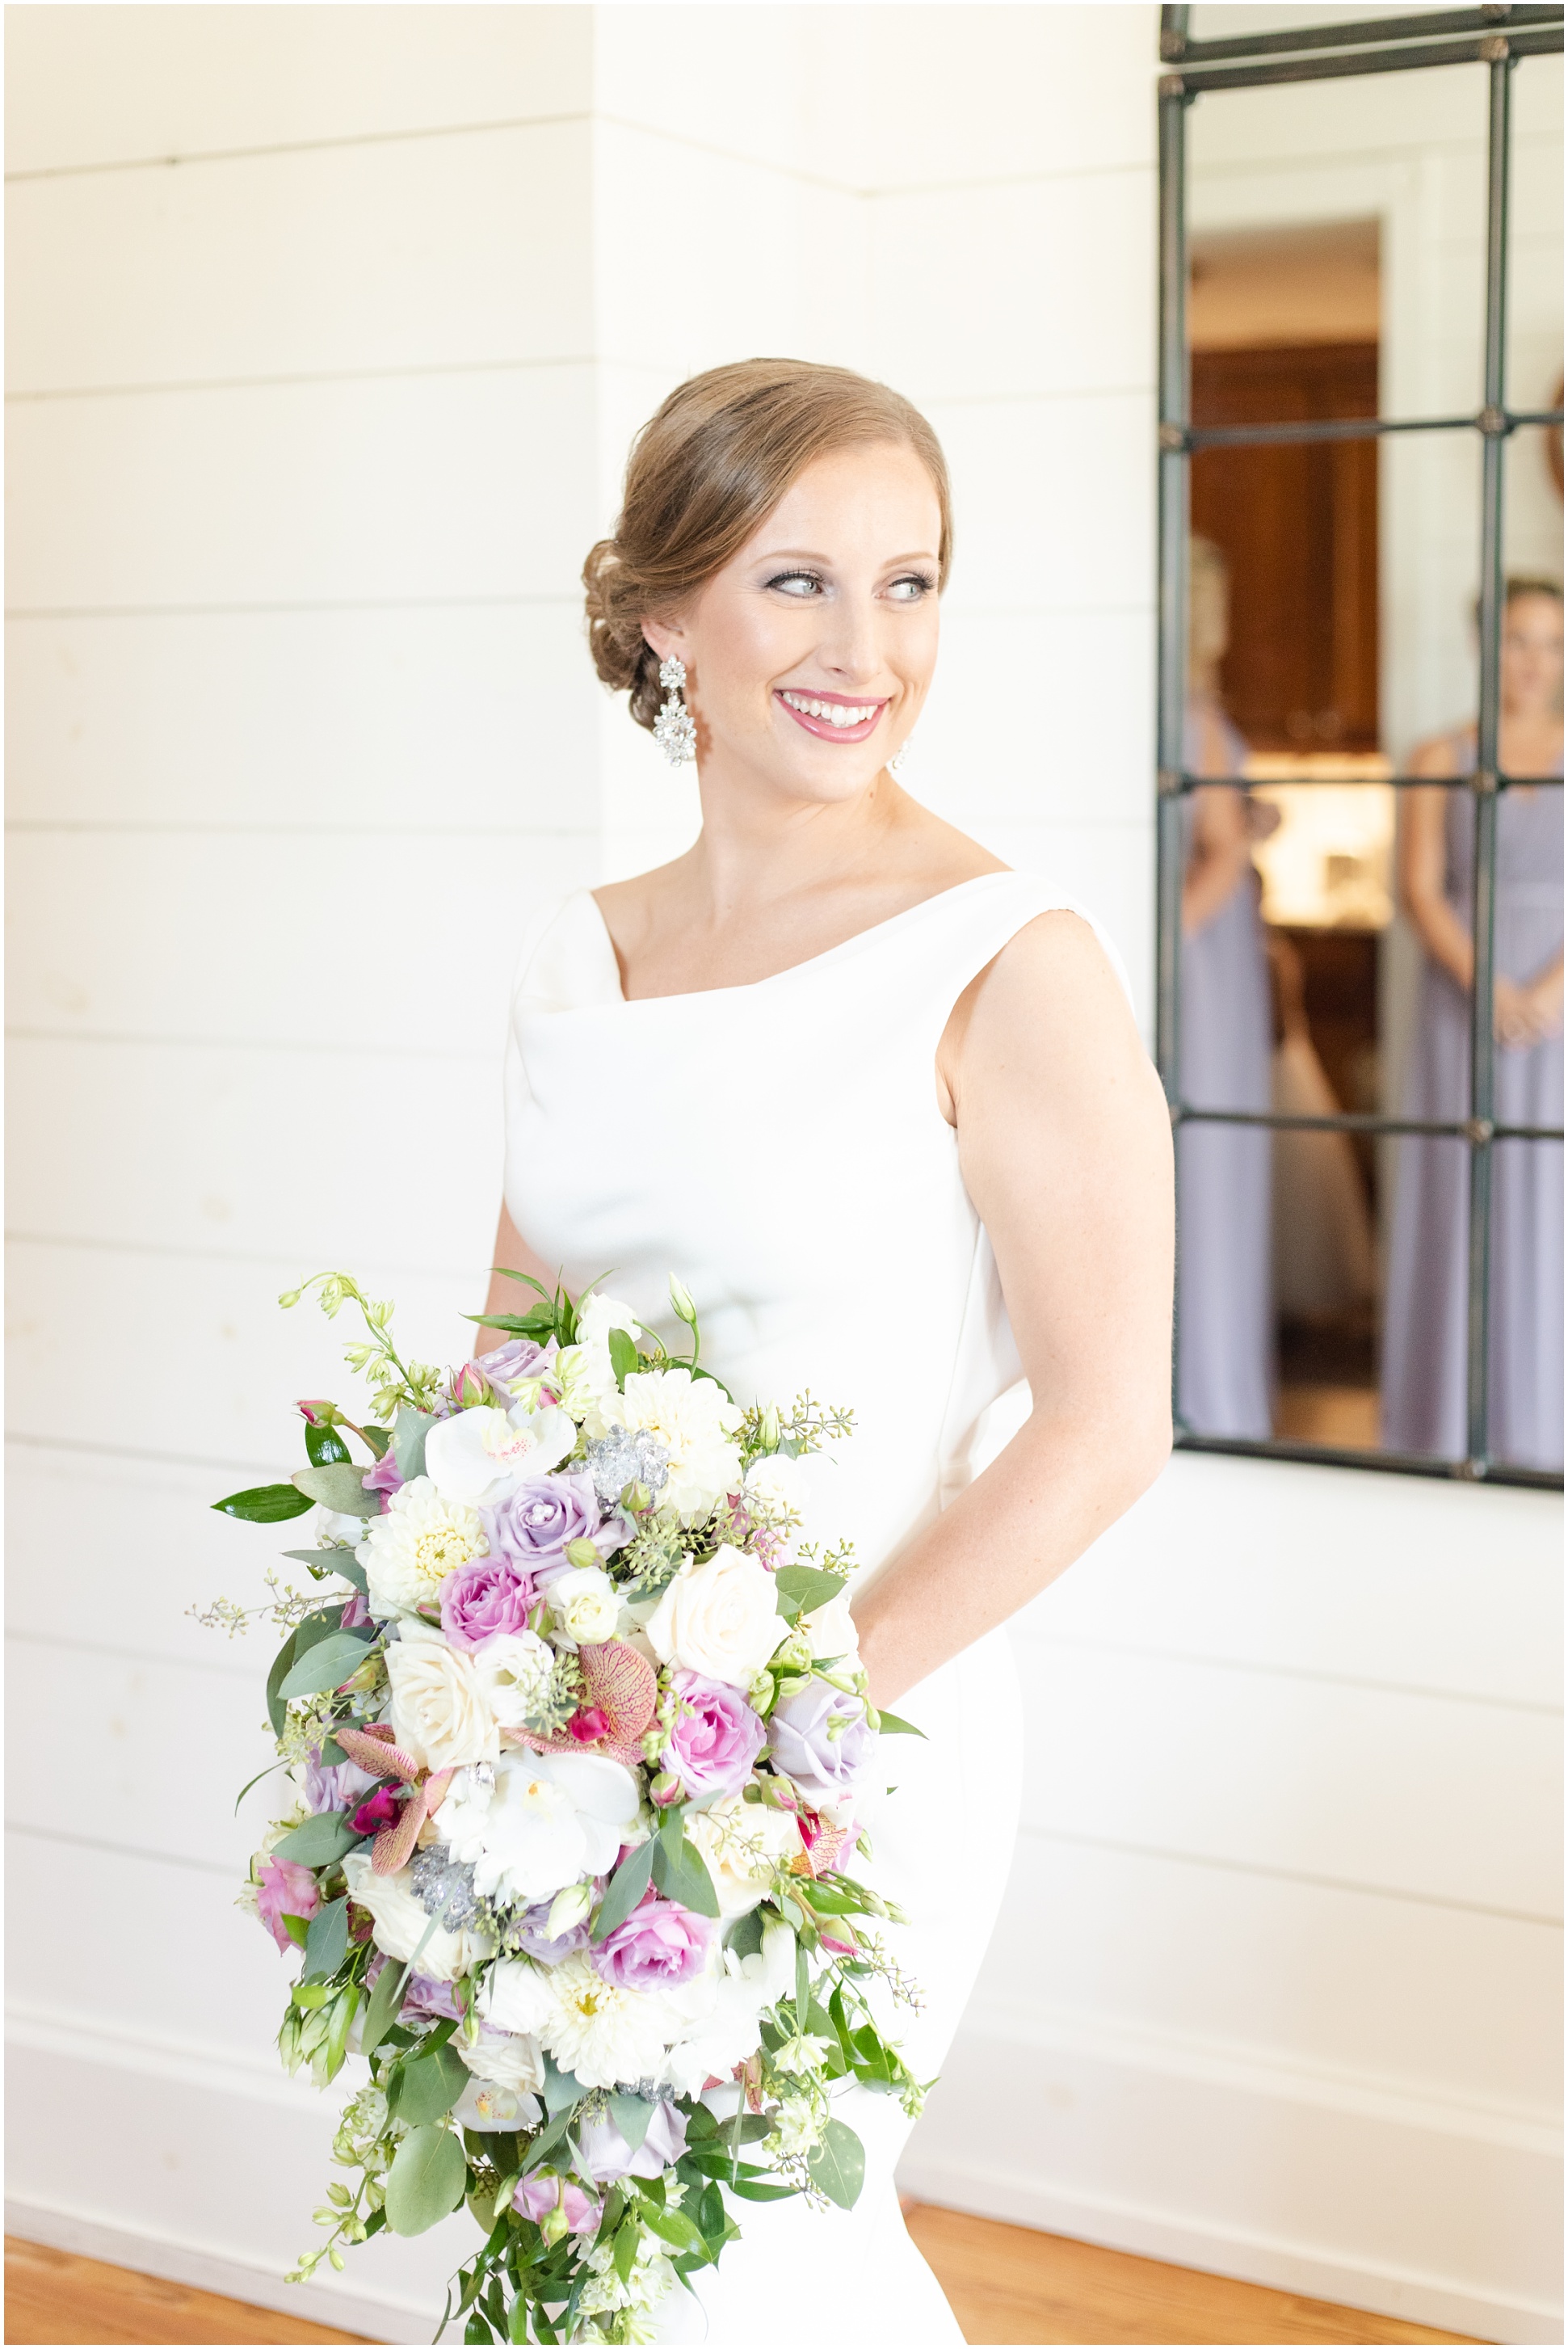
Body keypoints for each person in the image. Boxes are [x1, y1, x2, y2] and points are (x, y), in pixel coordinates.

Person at [481, 360, 1174, 2342]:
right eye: (796, 583)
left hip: (863, 1737)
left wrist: (773, 1731)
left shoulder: (1008, 961)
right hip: (572, 1732)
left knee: (760, 2251)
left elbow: (1108, 1425)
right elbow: (514, 1352)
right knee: (581, 2249)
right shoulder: (577, 956)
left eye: (911, 582)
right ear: (656, 613)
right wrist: (456, 1673)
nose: (866, 648)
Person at [1382, 577, 1564, 1469]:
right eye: (1519, 640)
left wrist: (1550, 994)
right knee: (1462, 1197)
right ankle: (1446, 1420)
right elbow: (1418, 887)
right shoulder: (1436, 755)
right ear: (1485, 644)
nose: (1534, 663)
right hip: (1463, 1001)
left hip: (1562, 1007)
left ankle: (1543, 1421)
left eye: (1552, 644)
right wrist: (1492, 988)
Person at [1176, 536, 1273, 1438]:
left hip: (1209, 960)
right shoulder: (1192, 715)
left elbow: (1217, 839)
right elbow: (1217, 850)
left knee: (1206, 1167)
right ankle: (1206, 1382)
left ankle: (1206, 1378)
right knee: (1203, 1169)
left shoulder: (1191, 710)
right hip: (1205, 962)